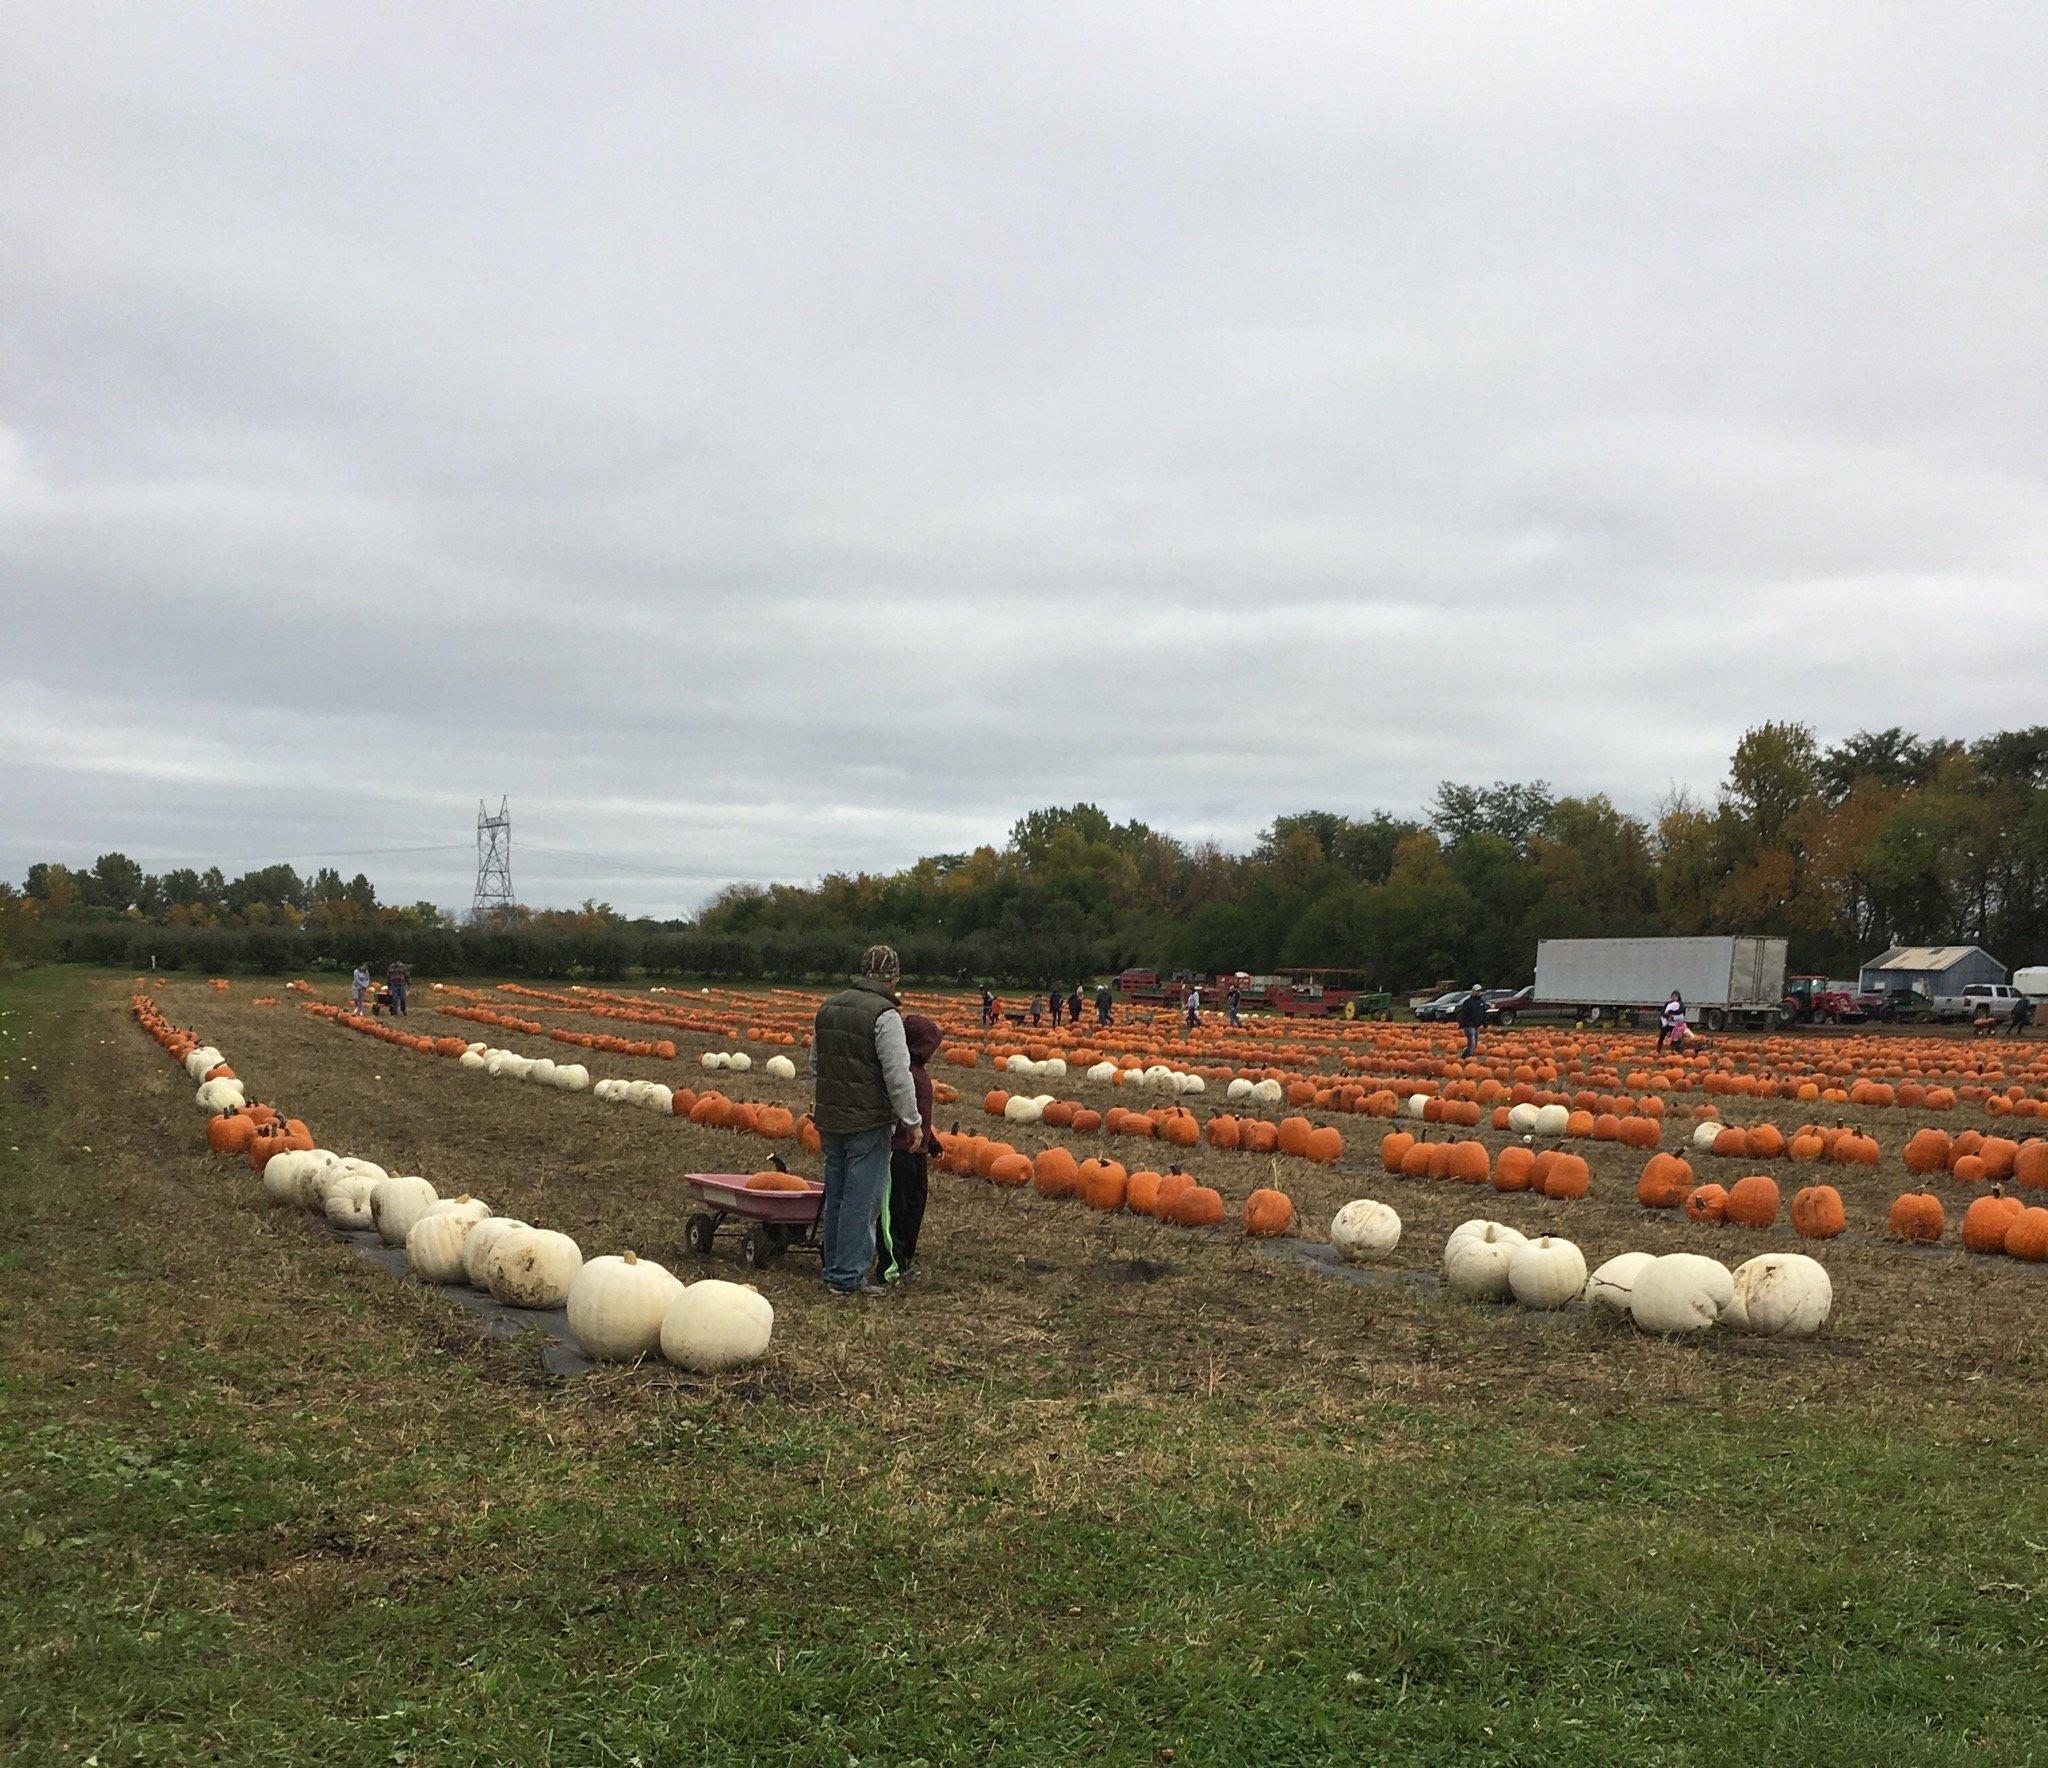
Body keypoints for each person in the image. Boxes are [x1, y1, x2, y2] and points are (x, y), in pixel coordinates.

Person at [810, 945, 925, 1298]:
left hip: (830, 1118)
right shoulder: (884, 1015)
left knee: (839, 1194)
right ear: (893, 977)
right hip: (867, 1121)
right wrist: (912, 1120)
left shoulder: (829, 1007)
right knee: (863, 1199)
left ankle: (834, 1268)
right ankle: (847, 1277)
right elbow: (897, 1074)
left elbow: (815, 1063)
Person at [875, 1013, 941, 1284]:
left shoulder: (920, 1073)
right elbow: (899, 1109)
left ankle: (904, 1260)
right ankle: (889, 1264)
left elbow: (919, 1115)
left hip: (918, 1151)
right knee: (895, 1209)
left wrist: (932, 1140)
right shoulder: (902, 1074)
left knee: (914, 1206)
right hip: (898, 1151)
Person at [1454, 982, 1488, 1058]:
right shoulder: (1468, 1002)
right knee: (1472, 1043)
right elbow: (1464, 1014)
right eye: (1477, 991)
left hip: (1476, 1026)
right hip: (1469, 1026)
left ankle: (1464, 1056)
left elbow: (1483, 1014)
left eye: (1480, 991)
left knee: (1474, 1044)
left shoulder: (1481, 1002)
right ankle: (1468, 1058)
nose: (1479, 992)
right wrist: (1461, 1025)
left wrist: (1484, 1024)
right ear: (1473, 992)